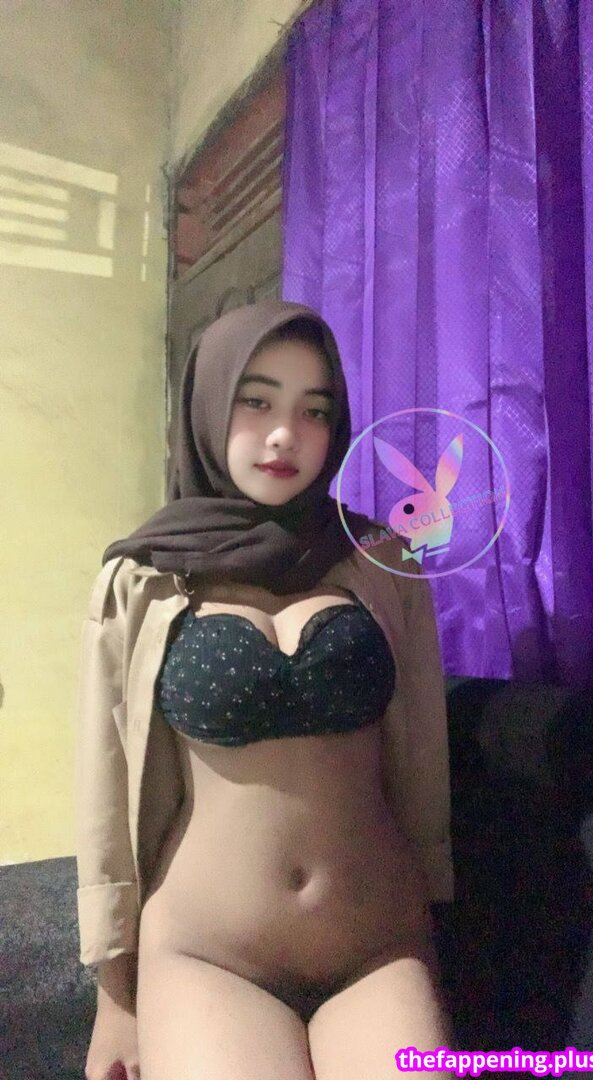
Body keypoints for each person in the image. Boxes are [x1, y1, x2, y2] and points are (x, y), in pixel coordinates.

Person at [75, 299, 455, 1080]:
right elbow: (105, 787)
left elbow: (423, 749)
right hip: (208, 956)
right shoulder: (139, 577)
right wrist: (117, 997)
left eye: (314, 410)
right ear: (210, 404)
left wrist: (441, 914)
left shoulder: (382, 559)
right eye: (256, 400)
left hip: (377, 945)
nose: (285, 434)